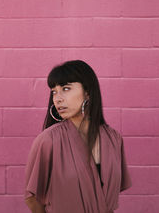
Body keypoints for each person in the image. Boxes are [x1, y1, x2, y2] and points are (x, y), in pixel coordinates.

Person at [24, 60, 132, 213]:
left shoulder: (114, 139)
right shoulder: (48, 140)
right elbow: (32, 198)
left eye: (66, 88)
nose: (57, 98)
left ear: (87, 91)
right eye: (54, 91)